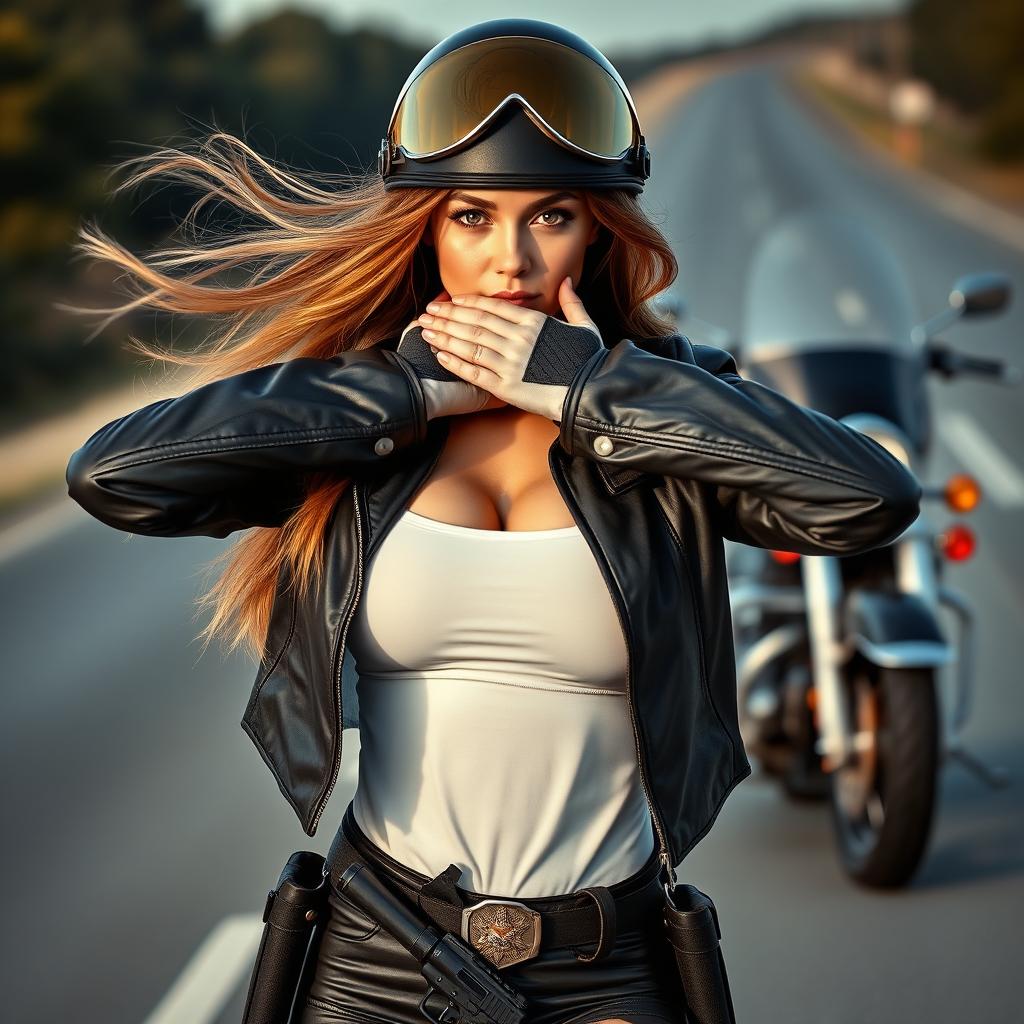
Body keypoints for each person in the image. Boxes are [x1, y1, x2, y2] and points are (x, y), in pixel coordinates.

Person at [64, 18, 922, 1024]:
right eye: (472, 216)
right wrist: (401, 394)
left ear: (599, 226)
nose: (509, 260)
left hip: (606, 962)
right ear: (426, 228)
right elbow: (115, 473)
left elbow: (871, 495)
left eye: (549, 215)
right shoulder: (362, 419)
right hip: (379, 948)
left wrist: (591, 388)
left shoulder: (660, 410)